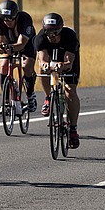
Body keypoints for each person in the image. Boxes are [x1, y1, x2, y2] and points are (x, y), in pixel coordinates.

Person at [35, 12, 81, 149]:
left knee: (70, 91)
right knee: (42, 71)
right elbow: (42, 59)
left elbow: (69, 62)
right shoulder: (40, 38)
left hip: (67, 61)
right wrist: (45, 65)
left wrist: (62, 66)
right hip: (51, 61)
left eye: (55, 33)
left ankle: (73, 129)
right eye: (49, 33)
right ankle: (49, 97)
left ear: (61, 30)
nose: (52, 36)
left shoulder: (69, 37)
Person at [0, 0, 38, 112]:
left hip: (26, 42)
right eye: (4, 19)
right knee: (3, 65)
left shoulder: (25, 19)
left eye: (10, 19)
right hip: (9, 41)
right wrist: (2, 48)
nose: (7, 21)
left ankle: (30, 94)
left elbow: (22, 44)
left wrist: (11, 48)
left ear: (16, 16)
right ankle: (6, 101)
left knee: (27, 66)